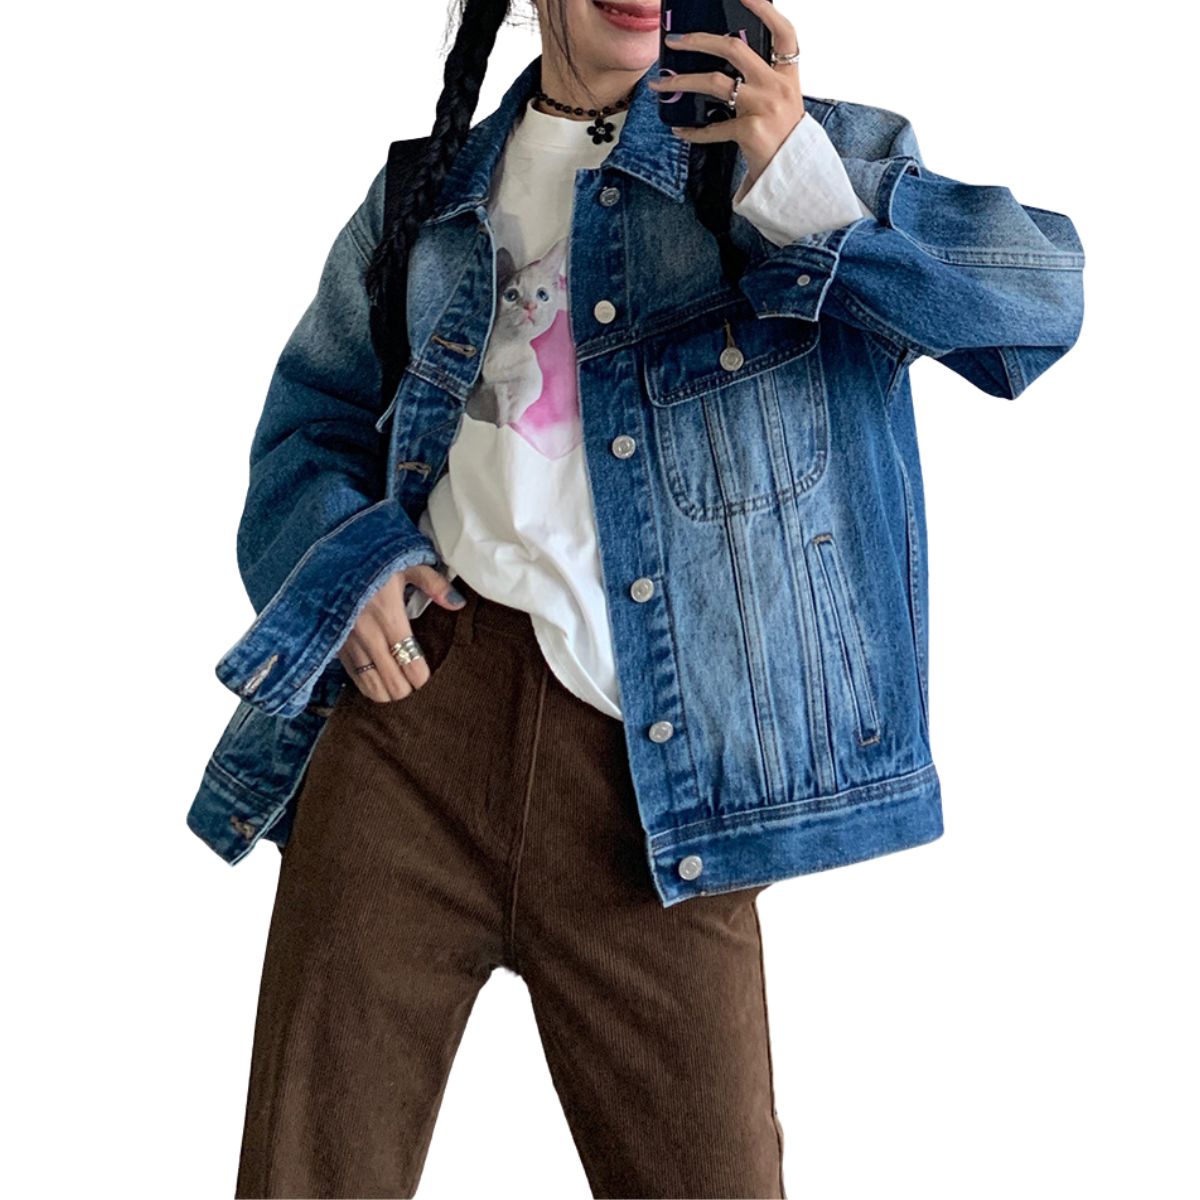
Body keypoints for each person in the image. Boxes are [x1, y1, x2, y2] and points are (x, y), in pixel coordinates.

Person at [214, 1, 1085, 1196]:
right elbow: (309, 421)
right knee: (307, 1176)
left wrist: (798, 183)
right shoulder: (430, 188)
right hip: (412, 734)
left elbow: (1038, 307)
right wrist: (346, 558)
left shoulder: (797, 159)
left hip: (653, 790)